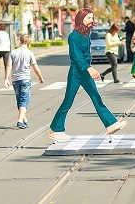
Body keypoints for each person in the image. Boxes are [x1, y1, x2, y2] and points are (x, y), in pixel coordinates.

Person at [49, 9, 127, 141]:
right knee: (68, 101)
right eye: (88, 18)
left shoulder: (86, 34)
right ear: (81, 19)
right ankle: (55, 130)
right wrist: (90, 69)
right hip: (76, 72)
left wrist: (89, 68)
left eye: (92, 18)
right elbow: (76, 56)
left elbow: (85, 55)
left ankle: (111, 124)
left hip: (84, 71)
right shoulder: (74, 36)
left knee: (96, 96)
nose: (91, 20)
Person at [4, 34, 44, 128]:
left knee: (19, 100)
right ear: (29, 43)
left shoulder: (13, 53)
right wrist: (40, 77)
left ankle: (24, 119)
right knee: (24, 100)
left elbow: (8, 66)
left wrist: (6, 78)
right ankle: (20, 120)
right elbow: (35, 67)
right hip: (25, 79)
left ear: (20, 41)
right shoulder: (30, 53)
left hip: (15, 80)